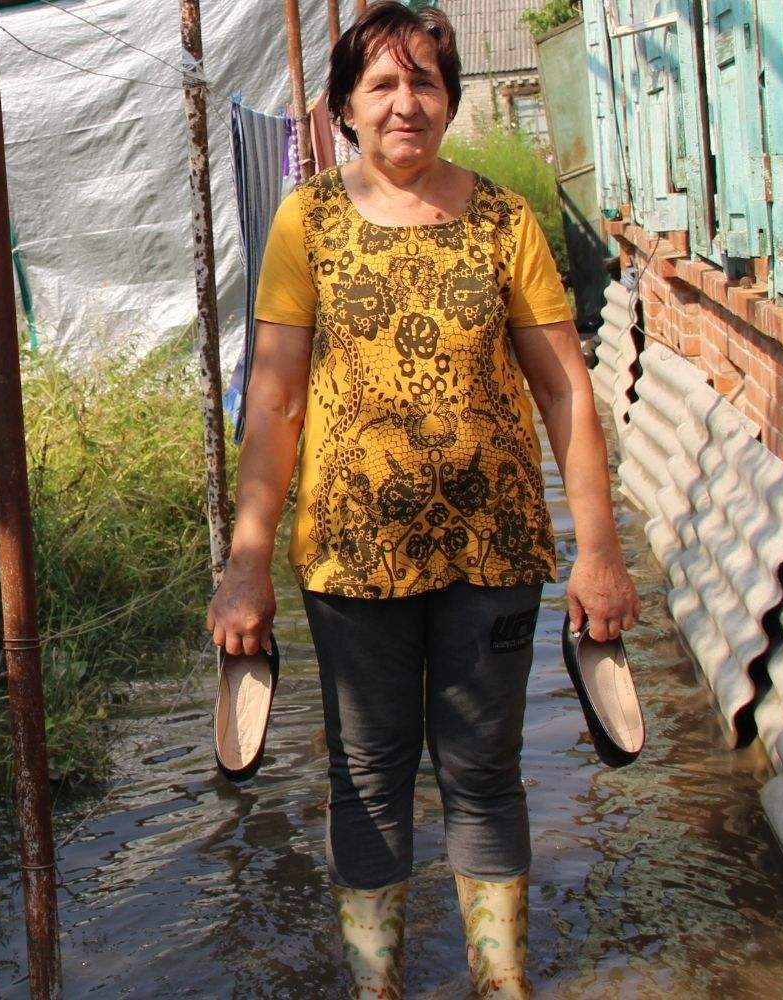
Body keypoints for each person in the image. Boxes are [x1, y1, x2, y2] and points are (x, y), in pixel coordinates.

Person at [205, 4, 641, 997]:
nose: (407, 103)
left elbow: (565, 387)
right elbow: (274, 398)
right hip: (352, 558)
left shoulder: (502, 221)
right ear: (347, 107)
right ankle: (380, 987)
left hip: (492, 552)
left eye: (426, 83)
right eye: (384, 85)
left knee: (483, 770)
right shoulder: (307, 220)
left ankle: (502, 985)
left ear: (451, 97)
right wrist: (247, 559)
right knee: (366, 773)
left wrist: (600, 549)